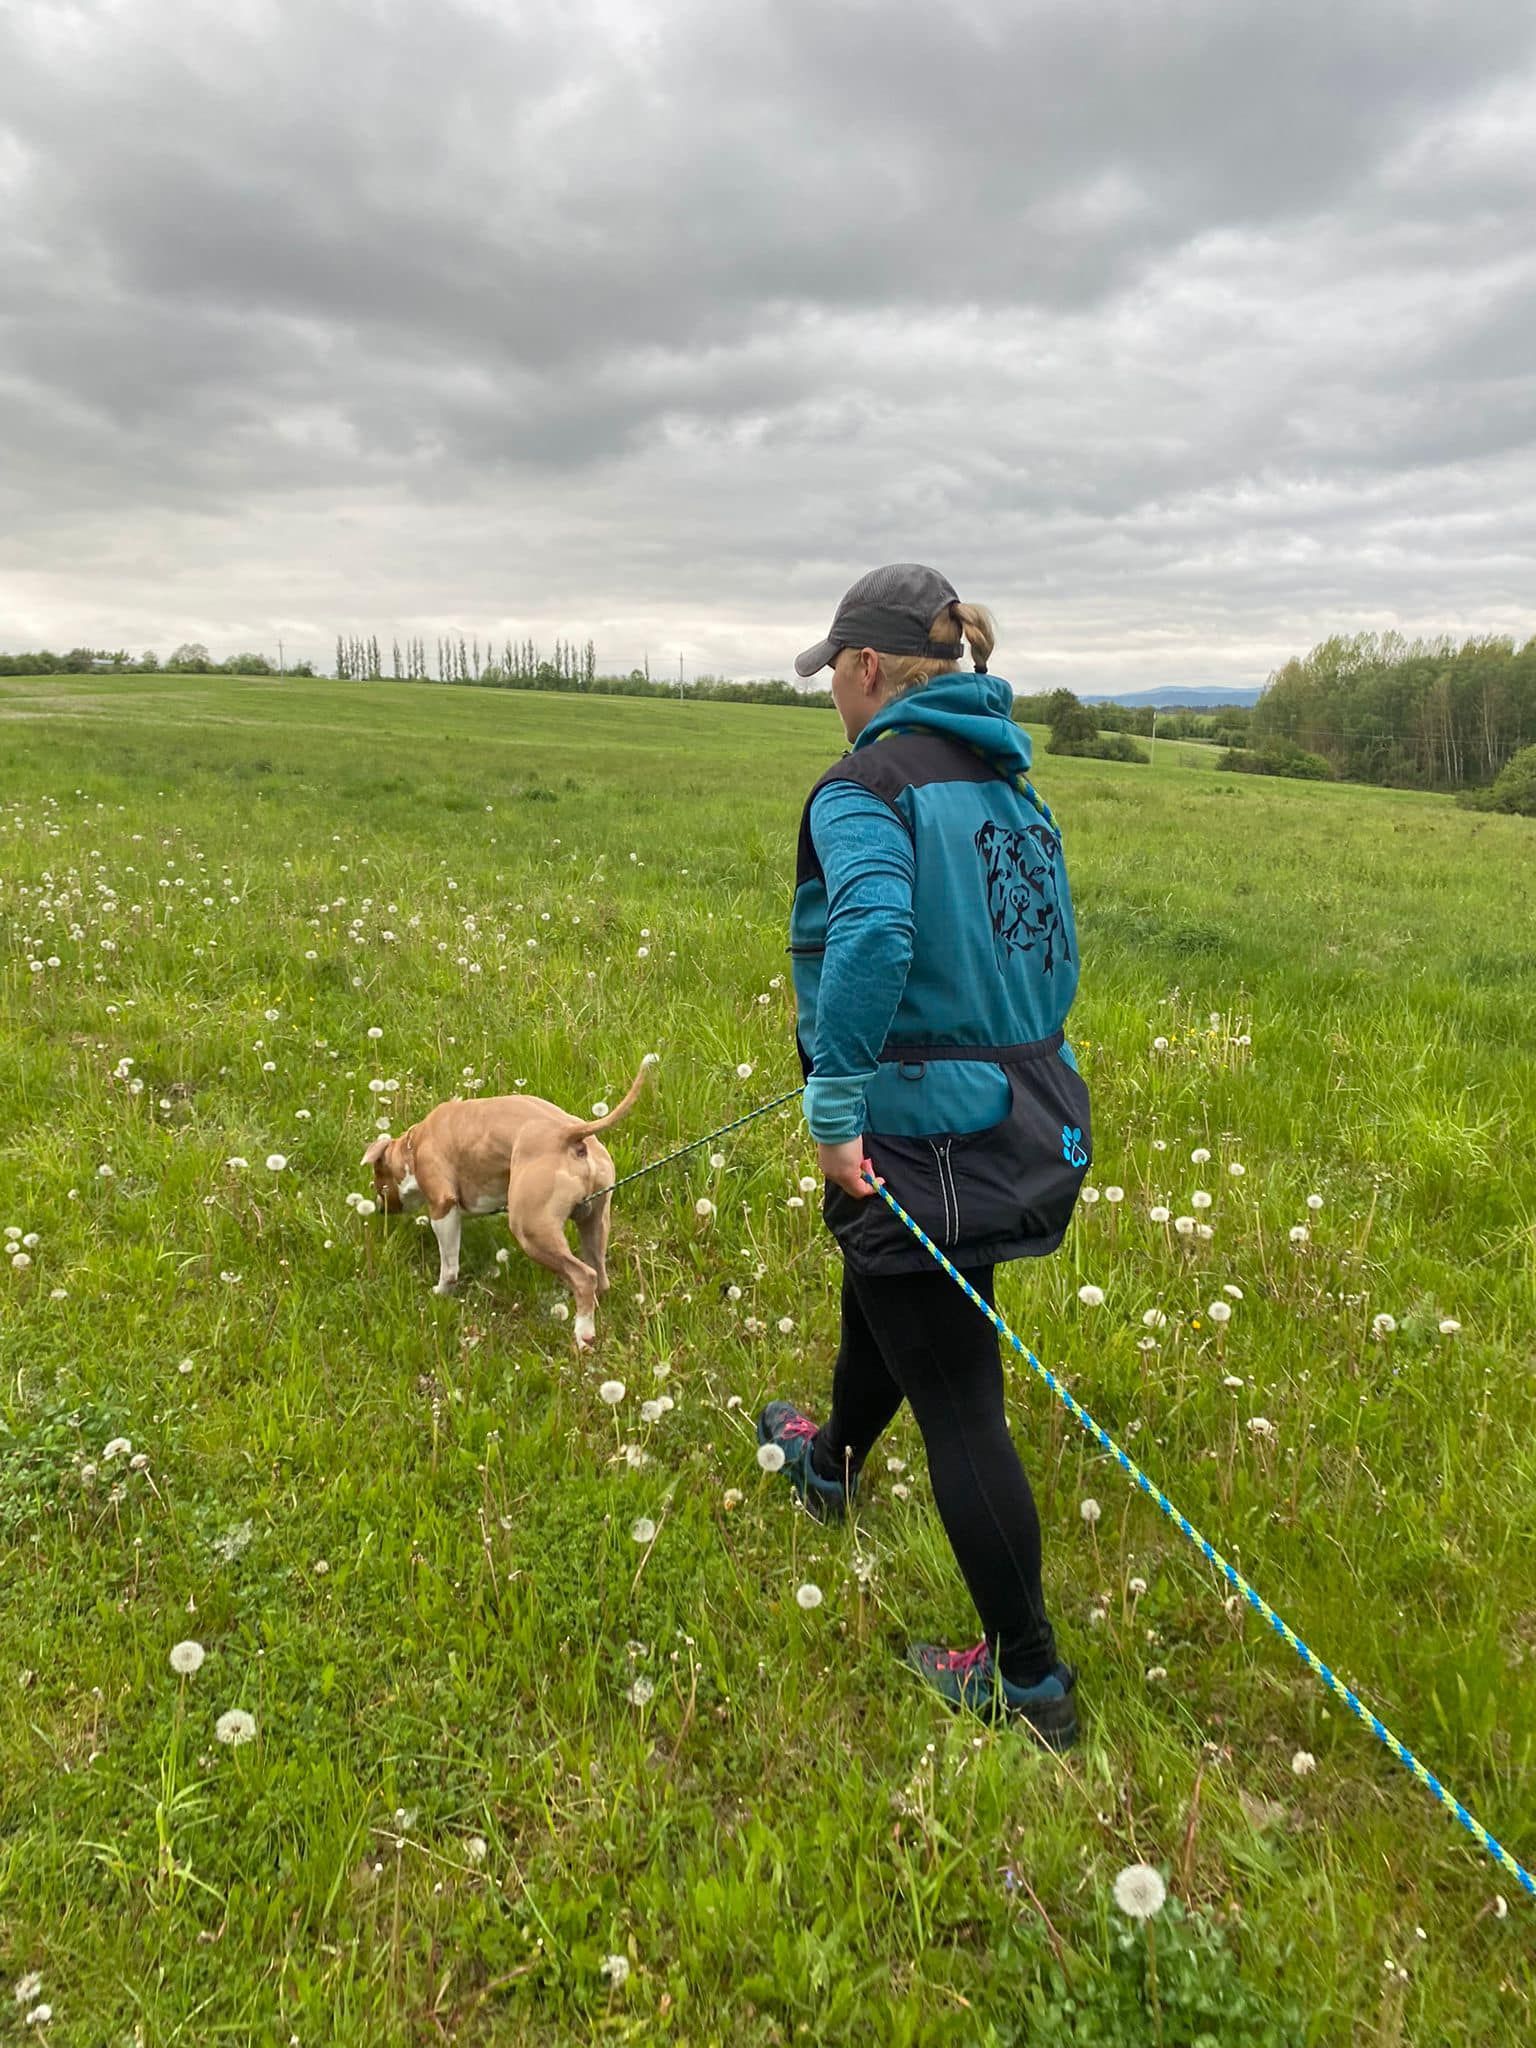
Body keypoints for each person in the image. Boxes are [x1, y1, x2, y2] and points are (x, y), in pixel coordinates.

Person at [757, 563, 1091, 1750]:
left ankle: (1032, 1679)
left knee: (960, 1395)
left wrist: (840, 1099)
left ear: (862, 669)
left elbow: (878, 928)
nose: (832, 702)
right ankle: (833, 1463)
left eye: (832, 679)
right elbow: (1050, 955)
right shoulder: (1012, 784)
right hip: (1021, 1106)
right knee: (891, 1295)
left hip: (919, 1130)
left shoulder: (866, 785)